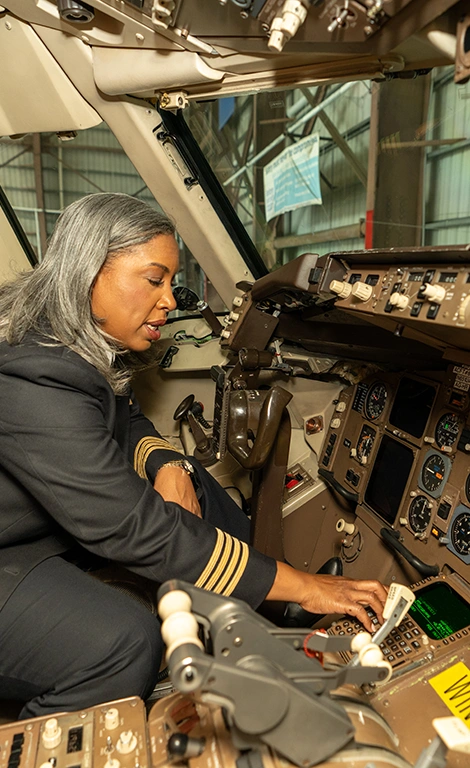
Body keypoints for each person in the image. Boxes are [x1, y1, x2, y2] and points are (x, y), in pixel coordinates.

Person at [0, 193, 387, 719]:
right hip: (12, 555)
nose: (168, 300)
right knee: (125, 644)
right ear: (90, 271)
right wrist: (306, 586)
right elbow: (133, 528)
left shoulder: (73, 337)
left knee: (194, 483)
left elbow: (122, 416)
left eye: (170, 282)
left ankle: (267, 615)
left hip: (35, 531)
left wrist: (168, 464)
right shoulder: (35, 372)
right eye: (153, 279)